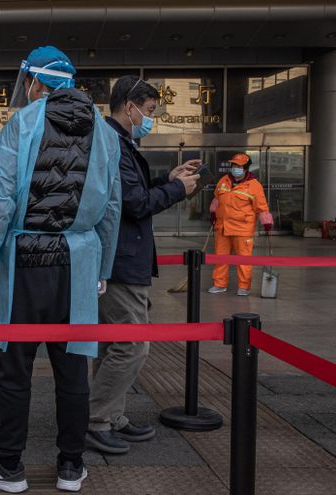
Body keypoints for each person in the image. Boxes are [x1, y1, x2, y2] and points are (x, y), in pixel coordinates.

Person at [0, 46, 122, 493]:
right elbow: (111, 206)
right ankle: (71, 466)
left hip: (27, 260)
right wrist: (103, 265)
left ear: (35, 82)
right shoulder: (105, 133)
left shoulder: (24, 122)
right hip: (81, 260)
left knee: (15, 369)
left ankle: (8, 466)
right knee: (73, 370)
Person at [86, 76, 201, 457]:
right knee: (133, 344)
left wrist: (167, 178)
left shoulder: (118, 141)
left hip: (116, 257)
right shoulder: (113, 144)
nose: (150, 118)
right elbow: (133, 204)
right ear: (129, 106)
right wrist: (176, 191)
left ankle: (111, 416)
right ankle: (97, 419)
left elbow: (130, 191)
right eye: (149, 111)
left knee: (111, 343)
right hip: (118, 260)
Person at [208, 152, 272, 296]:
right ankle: (219, 284)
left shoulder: (254, 185)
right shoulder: (224, 180)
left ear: (246, 168)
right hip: (222, 227)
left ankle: (244, 287)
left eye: (239, 166)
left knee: (243, 259)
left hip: (242, 229)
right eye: (234, 165)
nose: (236, 168)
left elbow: (262, 207)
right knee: (220, 258)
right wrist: (213, 213)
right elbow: (216, 199)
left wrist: (266, 223)